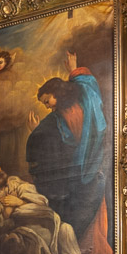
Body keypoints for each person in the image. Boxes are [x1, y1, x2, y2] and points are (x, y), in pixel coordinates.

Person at [26, 51, 107, 240]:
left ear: (56, 93)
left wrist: (36, 132)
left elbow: (89, 89)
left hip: (85, 167)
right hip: (86, 165)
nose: (47, 106)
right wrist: (74, 71)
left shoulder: (63, 112)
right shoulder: (71, 106)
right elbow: (88, 85)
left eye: (47, 101)